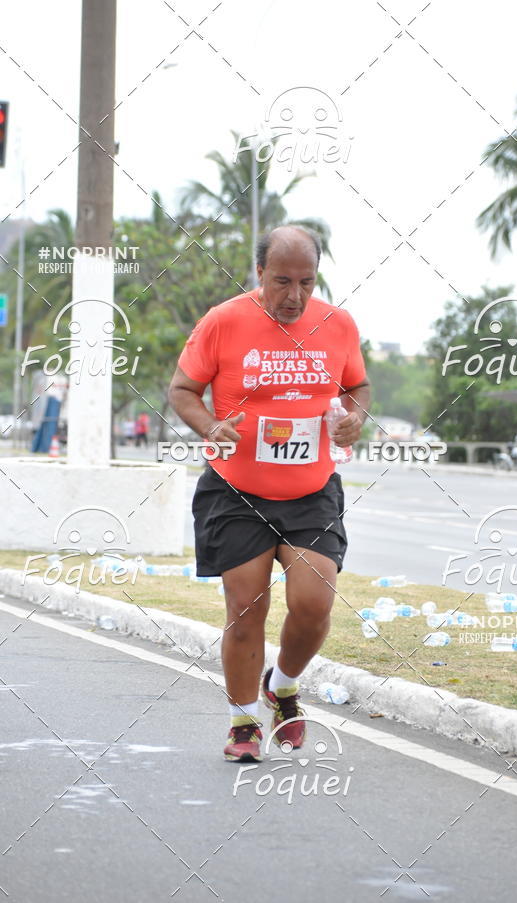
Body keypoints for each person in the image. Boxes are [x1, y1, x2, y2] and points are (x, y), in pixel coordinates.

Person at [168, 225, 370, 762]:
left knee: (313, 603)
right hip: (237, 490)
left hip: (311, 491)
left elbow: (357, 386)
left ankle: (281, 685)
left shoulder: (338, 323)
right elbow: (182, 390)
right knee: (245, 606)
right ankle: (243, 723)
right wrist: (209, 425)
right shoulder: (224, 320)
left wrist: (355, 416)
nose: (294, 295)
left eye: (306, 281)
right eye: (282, 280)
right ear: (260, 272)